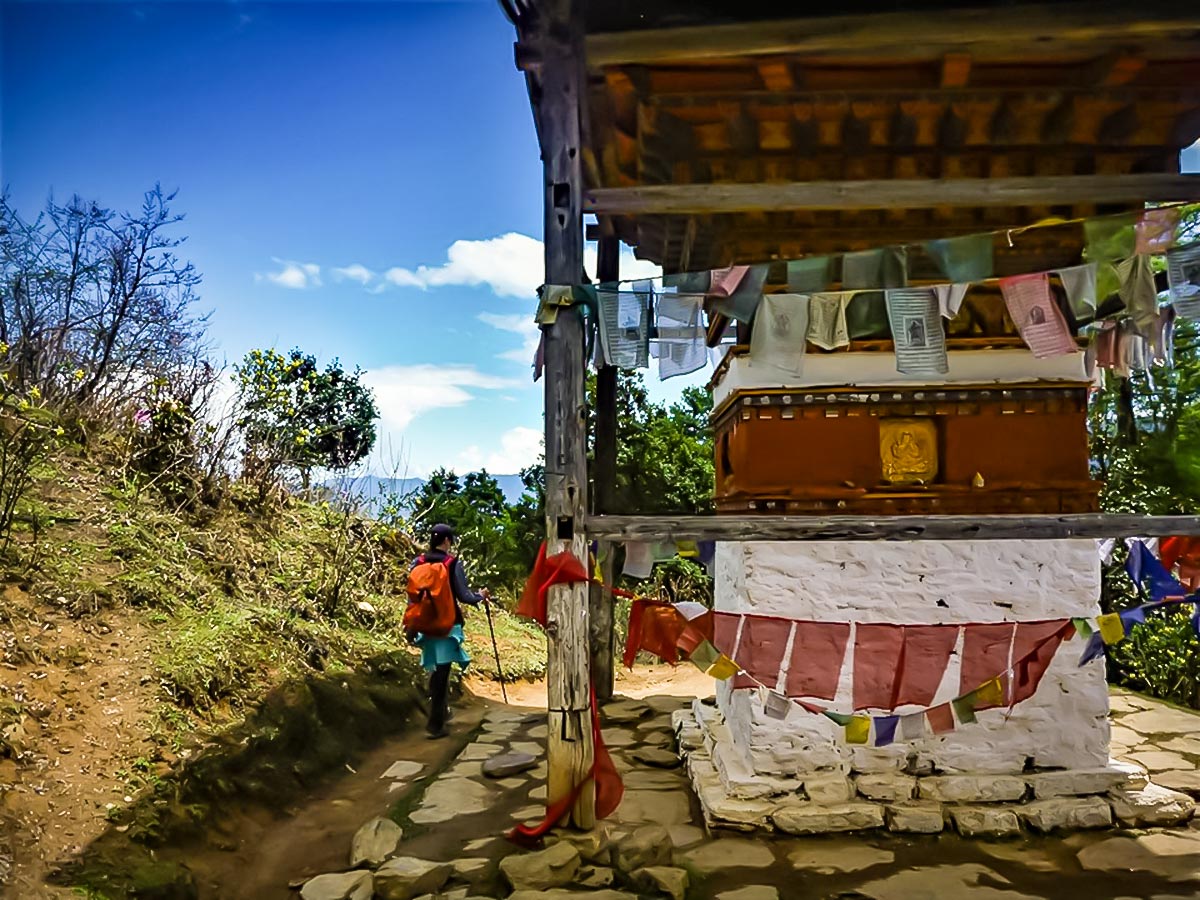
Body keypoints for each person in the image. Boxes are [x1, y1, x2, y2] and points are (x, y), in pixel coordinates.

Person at [411, 523, 490, 738]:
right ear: (447, 541)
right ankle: (436, 725)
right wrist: (481, 596)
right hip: (447, 624)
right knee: (442, 673)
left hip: (425, 624)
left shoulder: (418, 562)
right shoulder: (451, 563)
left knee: (436, 670)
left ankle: (441, 714)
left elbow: (413, 594)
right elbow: (464, 596)